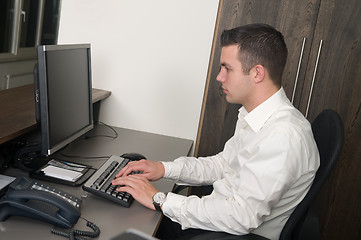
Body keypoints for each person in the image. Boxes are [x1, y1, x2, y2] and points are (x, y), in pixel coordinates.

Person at [112, 23, 320, 240]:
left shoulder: (283, 136)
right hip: (216, 217)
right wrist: (163, 169)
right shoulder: (256, 116)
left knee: (123, 226)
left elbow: (241, 217)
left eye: (227, 68)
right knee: (129, 215)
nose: (220, 77)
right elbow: (224, 165)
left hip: (226, 232)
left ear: (257, 73)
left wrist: (160, 199)